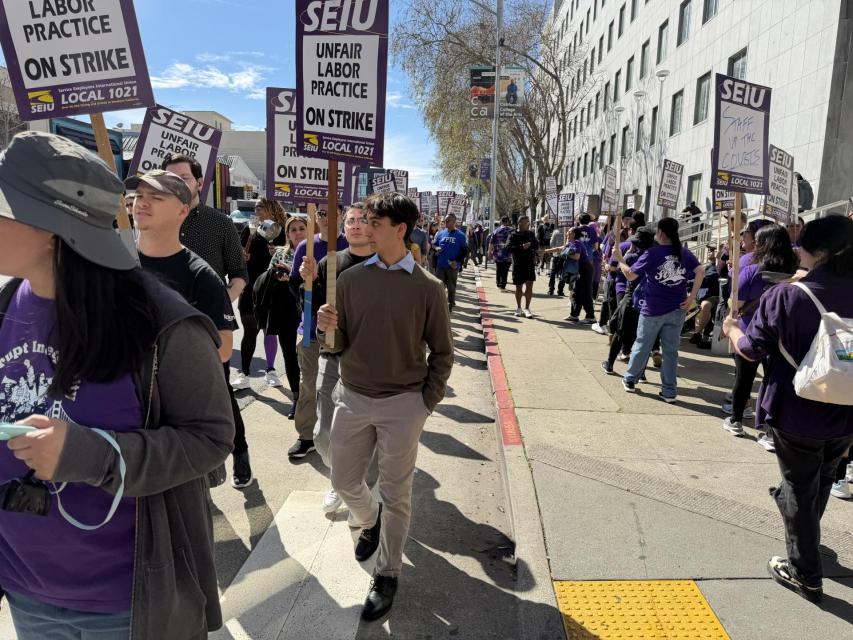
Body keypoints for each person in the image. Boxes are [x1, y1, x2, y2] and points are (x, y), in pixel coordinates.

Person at [0, 131, 233, 639]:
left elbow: (212, 438)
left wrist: (92, 454)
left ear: (49, 224)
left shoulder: (163, 323)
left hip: (127, 603)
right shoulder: (5, 304)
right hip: (24, 588)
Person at [316, 192, 453, 621]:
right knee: (343, 478)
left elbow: (443, 353)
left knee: (398, 494)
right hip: (353, 398)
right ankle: (368, 518)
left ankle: (388, 572)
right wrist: (327, 329)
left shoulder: (428, 288)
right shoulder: (350, 281)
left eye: (375, 222)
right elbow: (335, 346)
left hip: (403, 405)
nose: (365, 227)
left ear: (400, 229)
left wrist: (424, 403)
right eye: (366, 220)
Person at [722, 215, 853, 604]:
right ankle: (807, 535)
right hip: (846, 410)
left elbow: (750, 349)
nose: (798, 250)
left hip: (797, 409)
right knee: (823, 476)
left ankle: (805, 571)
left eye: (804, 246)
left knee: (798, 486)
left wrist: (732, 329)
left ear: (822, 253)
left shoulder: (788, 296)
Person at [128, 169, 253, 489]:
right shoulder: (116, 262)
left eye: (155, 198)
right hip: (125, 407)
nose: (142, 203)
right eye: (138, 196)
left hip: (172, 420)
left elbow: (224, 349)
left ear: (183, 210)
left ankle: (236, 456)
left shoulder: (203, 278)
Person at [298, 204, 378, 513]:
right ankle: (342, 477)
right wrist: (307, 282)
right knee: (323, 434)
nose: (356, 226)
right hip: (333, 357)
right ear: (343, 228)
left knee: (366, 433)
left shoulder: (385, 263)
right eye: (350, 221)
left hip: (372, 363)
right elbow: (311, 310)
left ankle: (348, 485)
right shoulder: (329, 263)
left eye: (362, 221)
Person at [613, 218, 705, 402]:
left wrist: (620, 260)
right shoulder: (683, 252)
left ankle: (631, 379)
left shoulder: (652, 253)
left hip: (653, 309)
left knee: (642, 345)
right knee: (671, 351)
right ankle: (669, 390)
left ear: (661, 232)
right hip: (677, 308)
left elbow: (630, 276)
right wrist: (691, 297)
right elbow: (700, 271)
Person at [722, 224, 798, 444]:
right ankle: (771, 432)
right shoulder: (796, 270)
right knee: (775, 382)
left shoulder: (752, 270)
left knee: (744, 379)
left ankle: (735, 419)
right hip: (784, 335)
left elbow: (736, 303)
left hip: (751, 332)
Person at [287, 209, 349, 459]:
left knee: (344, 388)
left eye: (332, 212)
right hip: (312, 330)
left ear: (342, 216)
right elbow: (294, 287)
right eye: (321, 212)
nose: (326, 217)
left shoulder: (353, 244)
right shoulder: (305, 247)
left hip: (347, 333)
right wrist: (305, 280)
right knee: (309, 384)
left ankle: (340, 437)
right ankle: (305, 436)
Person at [161, 154, 248, 301]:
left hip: (209, 321)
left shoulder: (222, 223)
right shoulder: (154, 221)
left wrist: (220, 306)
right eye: (170, 179)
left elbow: (239, 274)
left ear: (199, 183)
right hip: (163, 317)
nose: (176, 184)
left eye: (184, 178)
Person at [232, 199, 288, 390]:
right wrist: (242, 255)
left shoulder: (281, 230)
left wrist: (277, 251)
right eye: (255, 207)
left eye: (260, 207)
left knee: (269, 329)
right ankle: (244, 374)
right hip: (249, 286)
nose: (256, 210)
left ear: (271, 209)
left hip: (271, 286)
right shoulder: (250, 229)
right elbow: (239, 253)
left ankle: (270, 371)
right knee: (249, 330)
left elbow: (289, 254)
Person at [255, 216, 307, 418]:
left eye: (302, 228)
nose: (297, 232)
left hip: (310, 308)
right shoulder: (280, 253)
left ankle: (316, 398)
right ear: (287, 234)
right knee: (289, 355)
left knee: (314, 356)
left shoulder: (316, 250)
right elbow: (267, 277)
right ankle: (297, 398)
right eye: (292, 229)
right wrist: (279, 275)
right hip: (286, 309)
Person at [602, 225, 656, 374]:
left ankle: (610, 363)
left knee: (621, 332)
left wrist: (620, 259)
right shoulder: (656, 257)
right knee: (643, 338)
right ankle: (641, 372)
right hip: (648, 302)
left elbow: (629, 274)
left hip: (631, 298)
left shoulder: (632, 257)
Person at [433, 212, 468, 311]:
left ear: (454, 222)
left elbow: (465, 251)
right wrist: (436, 248)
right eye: (445, 221)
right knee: (439, 286)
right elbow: (434, 244)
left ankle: (450, 304)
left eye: (448, 221)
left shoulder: (460, 235)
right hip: (441, 265)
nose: (446, 223)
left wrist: (456, 261)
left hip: (452, 266)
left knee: (451, 287)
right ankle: (439, 304)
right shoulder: (441, 233)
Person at [688, 245, 721, 349]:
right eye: (709, 250)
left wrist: (685, 283)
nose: (709, 251)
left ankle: (698, 333)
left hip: (712, 296)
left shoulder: (718, 267)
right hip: (700, 295)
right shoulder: (708, 266)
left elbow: (706, 280)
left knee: (705, 305)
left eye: (712, 250)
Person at [508, 215, 538, 317]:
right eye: (526, 222)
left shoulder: (530, 234)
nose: (528, 224)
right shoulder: (513, 235)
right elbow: (508, 248)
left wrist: (535, 254)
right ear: (519, 223)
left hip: (529, 264)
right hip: (518, 264)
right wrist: (521, 247)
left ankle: (527, 308)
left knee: (529, 285)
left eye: (528, 222)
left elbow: (536, 245)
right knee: (518, 287)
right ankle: (519, 307)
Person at [564, 227, 596, 323]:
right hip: (579, 271)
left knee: (585, 293)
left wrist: (565, 254)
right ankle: (574, 315)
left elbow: (576, 256)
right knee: (576, 292)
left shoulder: (577, 243)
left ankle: (591, 317)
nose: (567, 234)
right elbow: (560, 249)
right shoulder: (571, 243)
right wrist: (544, 251)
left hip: (585, 270)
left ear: (573, 234)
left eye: (569, 232)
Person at [488, 216, 513, 289]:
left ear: (501, 222)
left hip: (498, 254)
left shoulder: (496, 231)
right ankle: (503, 284)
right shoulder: (512, 231)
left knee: (499, 269)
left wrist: (489, 252)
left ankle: (498, 283)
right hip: (508, 255)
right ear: (508, 222)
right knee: (505, 271)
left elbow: (491, 243)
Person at [547, 224, 567, 296]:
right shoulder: (568, 231)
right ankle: (560, 290)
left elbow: (551, 243)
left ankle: (551, 289)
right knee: (563, 272)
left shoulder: (556, 232)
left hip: (556, 254)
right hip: (565, 255)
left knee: (553, 272)